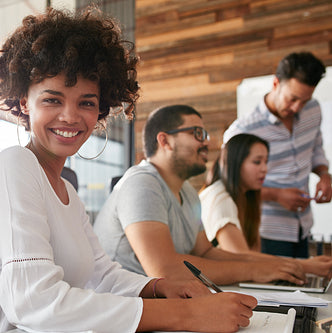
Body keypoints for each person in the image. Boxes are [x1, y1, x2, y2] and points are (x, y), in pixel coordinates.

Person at [0, 7, 257, 333]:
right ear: (25, 103)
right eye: (52, 100)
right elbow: (32, 301)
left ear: (100, 110)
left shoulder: (67, 190)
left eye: (86, 102)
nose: (70, 117)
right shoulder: (14, 164)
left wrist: (156, 288)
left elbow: (99, 272)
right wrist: (187, 316)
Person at [93, 104, 308, 286]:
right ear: (165, 141)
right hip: (124, 313)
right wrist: (254, 272)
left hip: (159, 305)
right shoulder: (141, 183)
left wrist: (270, 266)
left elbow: (205, 252)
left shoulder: (189, 192)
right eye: (198, 134)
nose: (206, 143)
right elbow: (165, 271)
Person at [223, 52, 331, 258]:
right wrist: (276, 195)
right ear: (275, 83)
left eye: (305, 100)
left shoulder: (313, 109)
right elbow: (230, 184)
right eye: (292, 99)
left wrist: (324, 175)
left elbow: (316, 148)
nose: (297, 107)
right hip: (266, 232)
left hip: (304, 227)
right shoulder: (243, 130)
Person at [200, 133, 332, 276]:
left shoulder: (248, 196)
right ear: (235, 163)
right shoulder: (220, 198)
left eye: (266, 162)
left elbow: (252, 252)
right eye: (257, 162)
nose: (264, 169)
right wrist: (303, 265)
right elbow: (239, 256)